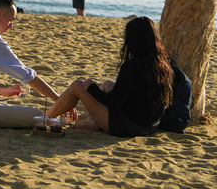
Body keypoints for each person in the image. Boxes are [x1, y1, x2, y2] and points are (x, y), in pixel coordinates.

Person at [44, 16, 173, 137]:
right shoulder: (162, 66)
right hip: (151, 126)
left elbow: (113, 103)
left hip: (128, 127)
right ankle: (96, 124)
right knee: (107, 84)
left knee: (77, 86)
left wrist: (91, 88)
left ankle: (45, 118)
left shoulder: (132, 66)